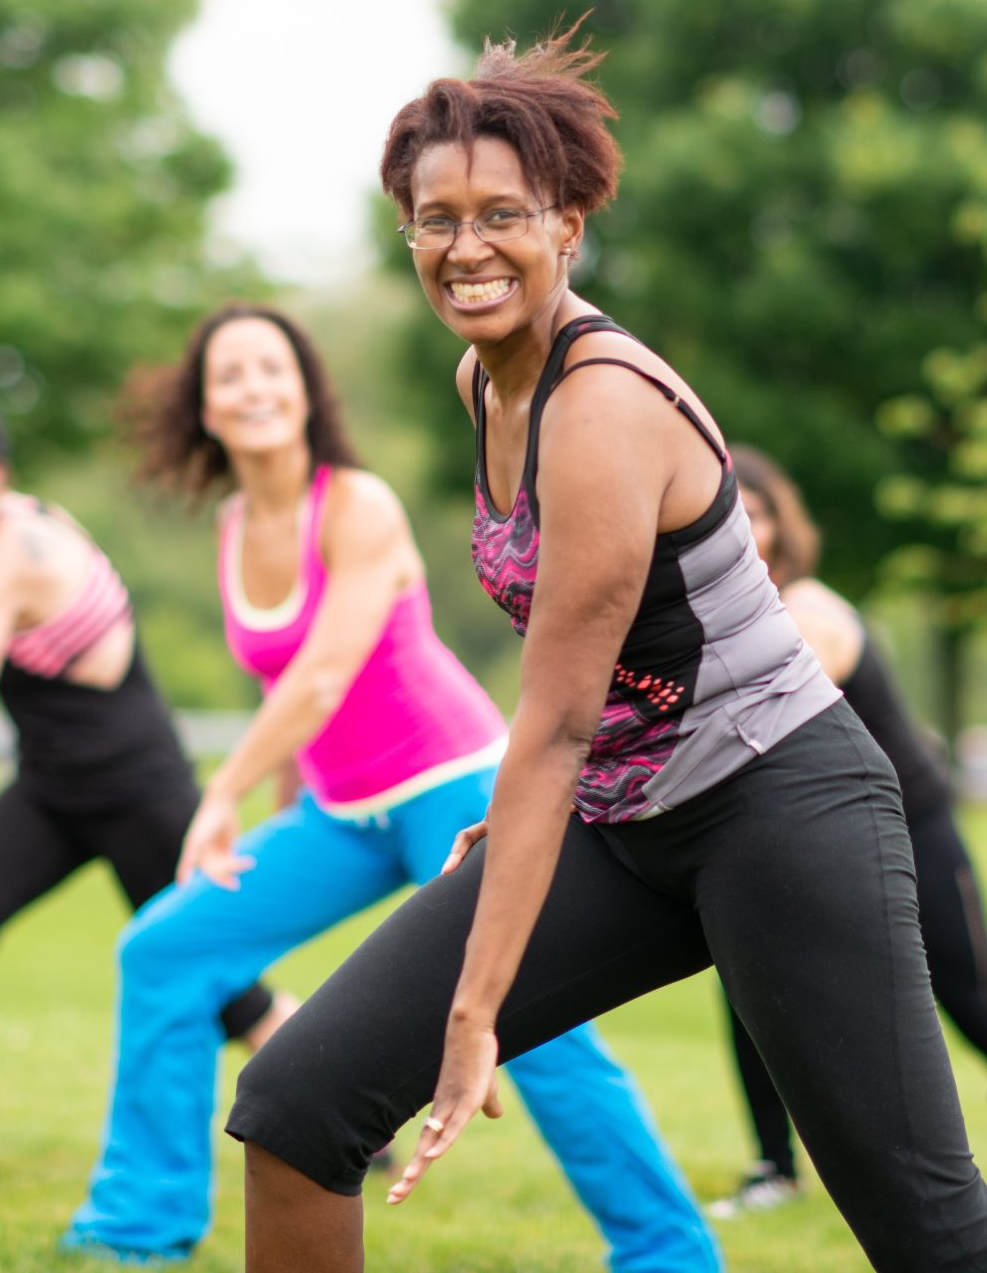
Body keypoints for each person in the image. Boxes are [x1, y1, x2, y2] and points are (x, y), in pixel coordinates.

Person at [221, 32, 987, 1273]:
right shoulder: (480, 382)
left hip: (782, 807)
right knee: (296, 1108)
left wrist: (474, 1012)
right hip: (623, 819)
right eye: (433, 218)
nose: (465, 247)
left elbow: (554, 721)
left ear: (567, 224)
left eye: (501, 213)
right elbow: (572, 702)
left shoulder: (601, 406)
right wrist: (512, 825)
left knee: (935, 1241)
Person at [64, 304, 717, 1270]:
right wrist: (282, 805)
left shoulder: (358, 505)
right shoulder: (238, 522)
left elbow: (326, 672)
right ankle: (137, 1225)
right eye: (229, 375)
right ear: (204, 407)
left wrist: (219, 794)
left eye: (271, 368)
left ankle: (670, 1256)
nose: (252, 388)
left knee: (529, 1030)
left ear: (305, 390)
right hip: (339, 812)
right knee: (165, 947)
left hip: (454, 792)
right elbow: (289, 692)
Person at [0, 387, 284, 1182]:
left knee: (225, 988)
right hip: (52, 794)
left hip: (140, 795)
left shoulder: (2, 553)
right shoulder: (22, 527)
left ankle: (339, 1113)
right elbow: (63, 654)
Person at [705, 447, 987, 1233]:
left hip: (909, 833)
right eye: (723, 508)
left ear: (780, 525)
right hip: (798, 839)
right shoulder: (726, 616)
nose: (742, 524)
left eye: (756, 509)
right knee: (746, 985)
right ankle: (773, 1166)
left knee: (974, 1007)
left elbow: (756, 723)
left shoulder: (811, 612)